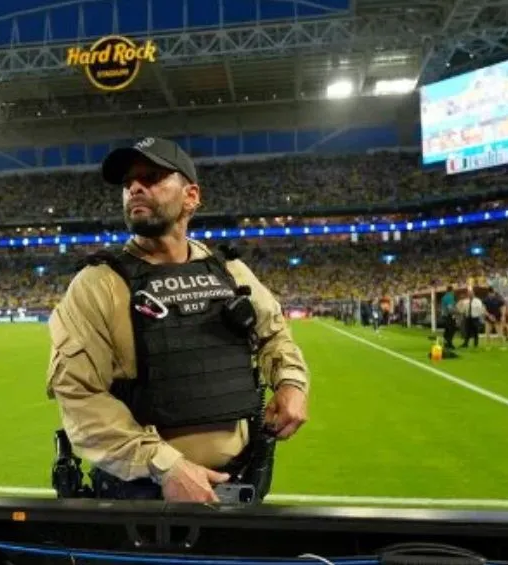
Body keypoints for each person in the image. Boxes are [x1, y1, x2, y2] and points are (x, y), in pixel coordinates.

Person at [46, 137, 310, 504]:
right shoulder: (97, 285)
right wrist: (165, 465)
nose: (135, 188)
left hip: (240, 485)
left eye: (152, 177)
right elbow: (79, 394)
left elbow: (274, 335)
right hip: (141, 496)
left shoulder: (230, 271)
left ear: (191, 197)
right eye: (128, 184)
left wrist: (291, 383)